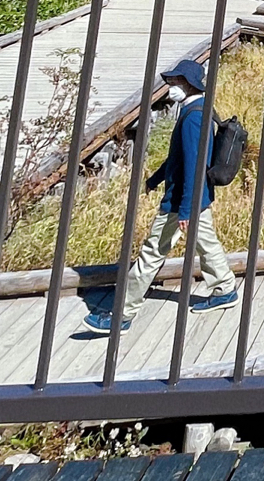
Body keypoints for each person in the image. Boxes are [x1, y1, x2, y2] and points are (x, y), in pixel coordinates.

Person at [86, 59, 238, 331]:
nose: (170, 88)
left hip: (182, 201)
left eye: (176, 83)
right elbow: (179, 159)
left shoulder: (193, 118)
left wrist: (185, 210)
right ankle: (225, 289)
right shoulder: (198, 109)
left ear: (189, 85)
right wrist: (155, 179)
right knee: (206, 243)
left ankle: (121, 314)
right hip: (197, 198)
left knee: (151, 254)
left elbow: (194, 164)